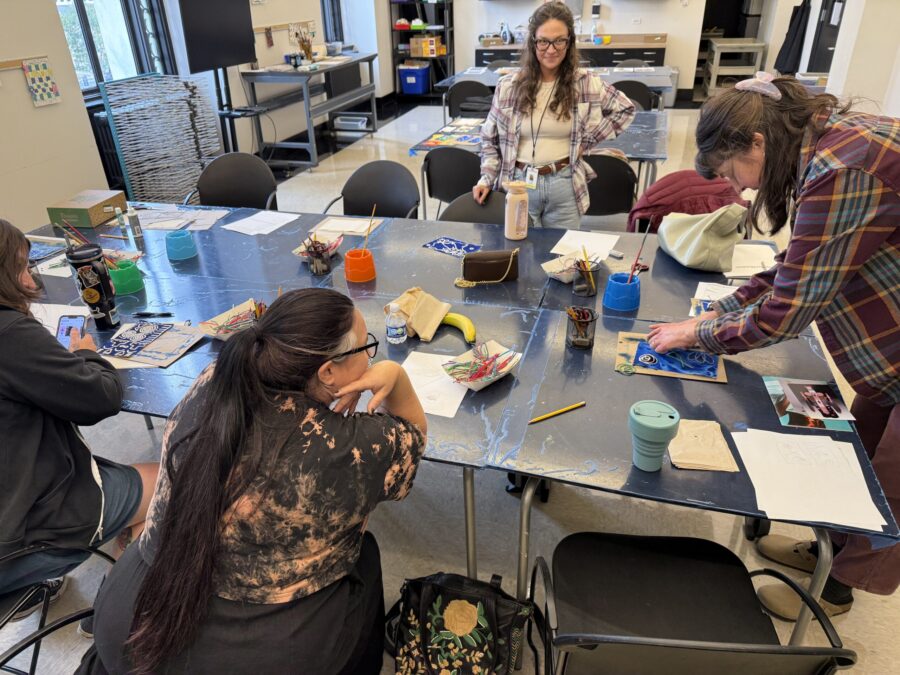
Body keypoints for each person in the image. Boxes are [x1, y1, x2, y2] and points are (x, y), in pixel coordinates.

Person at [646, 73, 899, 620]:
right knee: (864, 453)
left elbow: (787, 311)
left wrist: (699, 334)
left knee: (893, 478)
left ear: (757, 143)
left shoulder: (840, 171)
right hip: (888, 343)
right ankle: (828, 551)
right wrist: (721, 309)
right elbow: (793, 267)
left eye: (732, 172)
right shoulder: (827, 144)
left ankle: (834, 591)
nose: (738, 190)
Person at [87, 288, 427, 675]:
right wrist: (397, 378)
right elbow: (413, 435)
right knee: (363, 553)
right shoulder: (344, 444)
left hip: (127, 620)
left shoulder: (218, 380)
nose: (370, 359)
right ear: (327, 372)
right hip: (245, 653)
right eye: (366, 348)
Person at [0, 219, 157, 619]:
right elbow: (100, 398)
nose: (31, 280)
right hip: (19, 539)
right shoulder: (10, 334)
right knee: (173, 481)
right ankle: (115, 616)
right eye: (22, 268)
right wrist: (86, 354)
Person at [472, 1, 635, 229]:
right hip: (519, 185)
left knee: (561, 252)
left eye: (559, 41)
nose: (551, 49)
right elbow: (489, 138)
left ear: (569, 42)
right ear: (533, 42)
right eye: (543, 41)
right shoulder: (509, 86)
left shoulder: (586, 83)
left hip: (564, 186)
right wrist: (487, 177)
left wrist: (586, 142)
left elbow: (625, 109)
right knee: (520, 249)